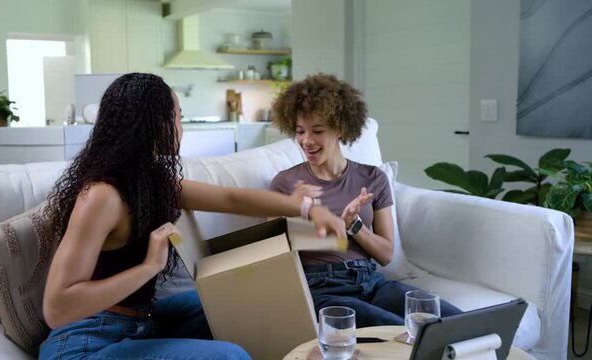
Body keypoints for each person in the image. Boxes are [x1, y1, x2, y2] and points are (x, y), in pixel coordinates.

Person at [38, 73, 346, 360]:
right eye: (179, 117)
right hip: (86, 343)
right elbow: (58, 308)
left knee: (238, 299)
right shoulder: (102, 196)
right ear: (155, 124)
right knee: (231, 357)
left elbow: (230, 198)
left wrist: (306, 208)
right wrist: (149, 267)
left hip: (140, 320)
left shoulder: (148, 181)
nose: (181, 126)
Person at [269, 73, 462, 328]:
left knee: (454, 322)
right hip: (321, 289)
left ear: (340, 128)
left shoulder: (373, 178)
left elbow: (385, 255)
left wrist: (354, 226)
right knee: (401, 333)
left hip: (372, 281)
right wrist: (300, 211)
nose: (306, 141)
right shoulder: (284, 183)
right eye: (300, 131)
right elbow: (273, 260)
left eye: (317, 131)